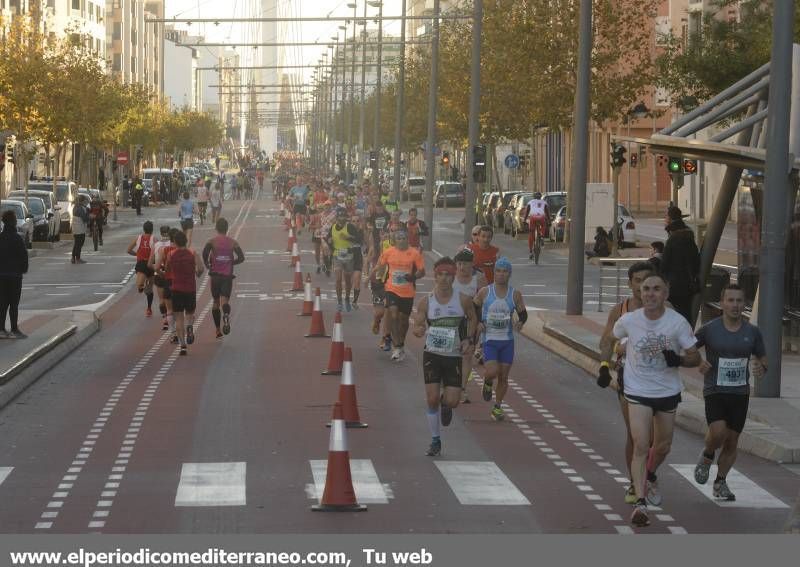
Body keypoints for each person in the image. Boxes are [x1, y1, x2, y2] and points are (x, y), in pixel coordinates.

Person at [612, 273, 700, 527]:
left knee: (662, 447)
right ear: (639, 292)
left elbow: (694, 357)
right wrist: (611, 358)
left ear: (666, 294)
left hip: (667, 391)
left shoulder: (677, 323)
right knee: (640, 444)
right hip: (638, 390)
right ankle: (640, 504)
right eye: (646, 289)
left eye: (656, 289)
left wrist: (680, 360)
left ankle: (650, 475)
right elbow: (614, 337)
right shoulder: (629, 320)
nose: (650, 293)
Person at [693, 283, 767, 501]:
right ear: (722, 303)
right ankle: (707, 456)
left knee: (732, 441)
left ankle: (720, 483)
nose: (735, 305)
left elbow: (763, 357)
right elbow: (687, 348)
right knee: (718, 433)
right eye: (730, 300)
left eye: (739, 301)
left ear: (744, 304)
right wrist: (698, 361)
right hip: (715, 389)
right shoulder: (710, 329)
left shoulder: (752, 332)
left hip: (740, 393)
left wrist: (761, 367)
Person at [597, 261, 657, 504]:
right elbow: (606, 341)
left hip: (659, 380)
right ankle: (635, 482)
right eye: (637, 280)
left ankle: (648, 474)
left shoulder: (665, 309)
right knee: (636, 435)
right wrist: (603, 367)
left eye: (647, 280)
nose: (642, 285)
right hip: (628, 378)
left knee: (656, 440)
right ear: (630, 283)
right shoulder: (620, 310)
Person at [412, 257, 478, 457]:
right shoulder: (426, 302)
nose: (443, 279)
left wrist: (468, 339)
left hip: (453, 356)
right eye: (440, 274)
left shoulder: (463, 299)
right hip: (432, 354)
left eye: (448, 275)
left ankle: (445, 403)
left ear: (453, 276)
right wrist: (418, 329)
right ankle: (435, 440)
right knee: (430, 398)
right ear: (435, 275)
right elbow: (418, 324)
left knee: (453, 402)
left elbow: (473, 318)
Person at [473, 257, 527, 421]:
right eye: (498, 271)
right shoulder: (485, 292)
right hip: (489, 340)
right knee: (492, 371)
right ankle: (488, 382)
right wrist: (479, 322)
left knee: (503, 377)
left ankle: (497, 407)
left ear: (509, 274)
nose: (501, 274)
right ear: (494, 273)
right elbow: (474, 306)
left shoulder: (515, 294)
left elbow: (523, 313)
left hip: (507, 341)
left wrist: (521, 322)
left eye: (505, 271)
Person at [371, 228, 426, 361]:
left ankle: (401, 342)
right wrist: (370, 277)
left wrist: (413, 277)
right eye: (399, 238)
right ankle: (397, 345)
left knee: (403, 320)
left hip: (407, 291)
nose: (402, 240)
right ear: (395, 241)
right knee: (393, 314)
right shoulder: (388, 252)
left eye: (404, 238)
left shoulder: (414, 253)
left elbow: (422, 271)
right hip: (391, 289)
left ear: (407, 240)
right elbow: (380, 265)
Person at [452, 247, 487, 403]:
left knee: (467, 355)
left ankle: (462, 389)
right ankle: (448, 385)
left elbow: (484, 303)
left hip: (470, 320)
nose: (461, 267)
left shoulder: (479, 278)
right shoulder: (450, 276)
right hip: (451, 320)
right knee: (451, 354)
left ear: (472, 264)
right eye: (459, 264)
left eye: (465, 264)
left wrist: (481, 322)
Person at [202, 217, 245, 339]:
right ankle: (225, 314)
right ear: (227, 228)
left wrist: (207, 265)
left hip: (215, 276)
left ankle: (217, 330)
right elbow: (241, 257)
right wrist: (231, 263)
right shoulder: (232, 242)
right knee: (224, 301)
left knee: (215, 303)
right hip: (227, 276)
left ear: (216, 228)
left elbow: (205, 254)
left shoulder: (212, 241)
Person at [165, 231, 204, 355]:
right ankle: (190, 326)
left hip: (176, 289)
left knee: (178, 318)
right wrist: (197, 274)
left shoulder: (171, 254)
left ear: (175, 242)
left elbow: (167, 269)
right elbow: (201, 268)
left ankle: (182, 345)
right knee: (190, 314)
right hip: (190, 289)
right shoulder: (192, 253)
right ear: (186, 241)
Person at [661, 206, 700, 322]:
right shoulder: (688, 234)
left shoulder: (673, 238)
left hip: (674, 284)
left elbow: (665, 263)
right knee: (686, 312)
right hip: (688, 283)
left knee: (675, 313)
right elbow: (695, 259)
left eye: (665, 216)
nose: (664, 218)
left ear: (670, 218)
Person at [325, 207, 363, 312]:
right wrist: (329, 240)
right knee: (338, 279)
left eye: (343, 216)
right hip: (337, 256)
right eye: (339, 216)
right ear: (336, 217)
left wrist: (347, 238)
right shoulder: (332, 227)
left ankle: (346, 298)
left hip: (349, 256)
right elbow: (328, 239)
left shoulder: (350, 227)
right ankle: (339, 302)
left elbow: (359, 239)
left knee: (347, 281)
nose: (341, 219)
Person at [0, 210, 29, 339]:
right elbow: (24, 256)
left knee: (2, 303)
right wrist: (23, 269)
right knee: (14, 304)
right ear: (13, 221)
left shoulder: (1, 237)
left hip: (1, 275)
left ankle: (1, 329)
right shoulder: (17, 238)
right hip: (15, 275)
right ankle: (14, 329)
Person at [127, 221, 156, 317]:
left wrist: (137, 254)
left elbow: (128, 250)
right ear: (152, 230)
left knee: (143, 287)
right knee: (147, 288)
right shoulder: (151, 239)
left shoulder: (143, 238)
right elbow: (159, 251)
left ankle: (148, 307)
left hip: (146, 264)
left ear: (144, 229)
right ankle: (149, 307)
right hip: (147, 264)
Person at [148, 225, 173, 330]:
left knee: (162, 300)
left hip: (158, 275)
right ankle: (172, 322)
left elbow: (149, 264)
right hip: (170, 275)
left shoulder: (156, 245)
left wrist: (157, 268)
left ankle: (165, 320)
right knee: (171, 301)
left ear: (161, 233)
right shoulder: (173, 244)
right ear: (169, 232)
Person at [524, 192, 550, 260]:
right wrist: (549, 221)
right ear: (540, 197)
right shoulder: (544, 202)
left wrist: (524, 220)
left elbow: (527, 211)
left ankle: (530, 251)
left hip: (533, 217)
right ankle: (541, 235)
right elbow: (547, 212)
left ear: (533, 197)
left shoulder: (530, 202)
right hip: (541, 217)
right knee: (543, 225)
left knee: (531, 234)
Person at [71, 195, 90, 264]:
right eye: (85, 201)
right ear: (82, 201)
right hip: (79, 227)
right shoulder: (80, 208)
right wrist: (90, 217)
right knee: (79, 242)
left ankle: (74, 257)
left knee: (77, 243)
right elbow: (84, 218)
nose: (86, 202)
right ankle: (77, 258)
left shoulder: (77, 207)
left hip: (77, 227)